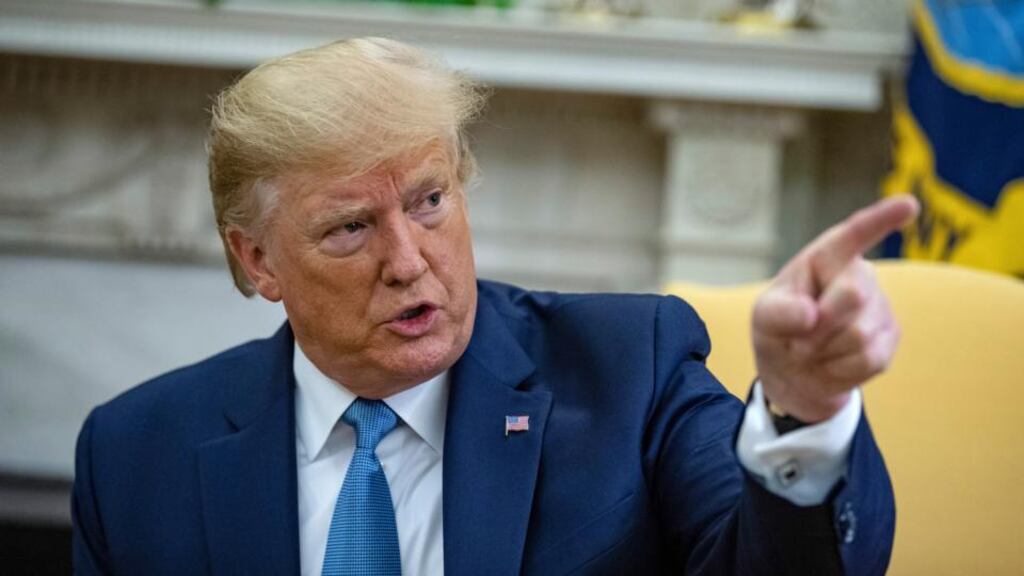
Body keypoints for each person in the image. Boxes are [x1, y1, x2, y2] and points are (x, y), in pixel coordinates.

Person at [72, 38, 912, 575]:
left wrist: (806, 410)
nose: (409, 262)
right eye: (351, 228)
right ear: (258, 259)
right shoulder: (134, 454)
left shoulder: (629, 367)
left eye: (430, 201)